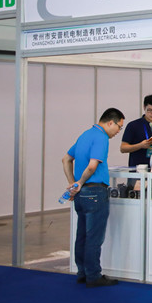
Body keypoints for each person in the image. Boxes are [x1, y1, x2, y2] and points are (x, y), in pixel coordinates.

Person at [61, 107, 125, 288]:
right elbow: (92, 166)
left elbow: (66, 159)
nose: (118, 132)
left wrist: (73, 184)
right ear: (110, 122)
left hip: (81, 195)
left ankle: (82, 272)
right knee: (94, 237)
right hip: (95, 192)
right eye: (119, 127)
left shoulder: (84, 135)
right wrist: (79, 182)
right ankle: (94, 275)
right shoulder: (101, 138)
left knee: (82, 235)